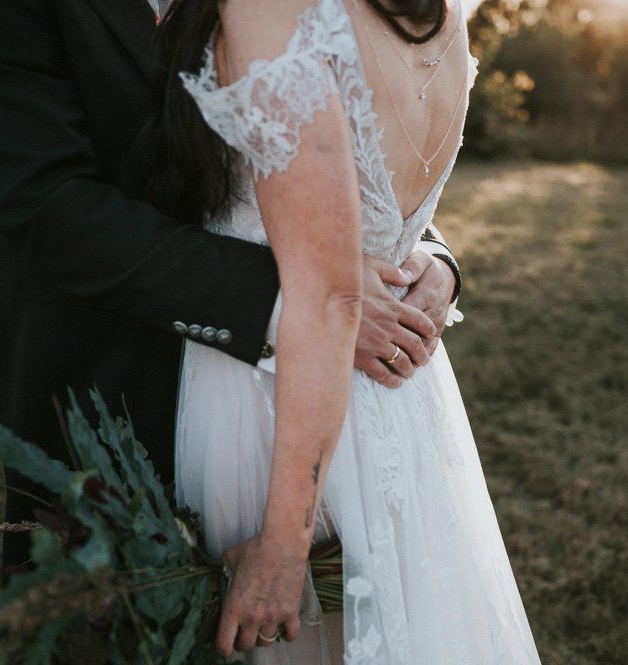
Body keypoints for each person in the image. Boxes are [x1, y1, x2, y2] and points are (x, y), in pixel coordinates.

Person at [0, 0, 461, 578]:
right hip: (111, 384)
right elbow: (47, 207)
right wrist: (306, 299)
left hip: (340, 404)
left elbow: (333, 136)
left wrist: (426, 258)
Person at [153, 0, 542, 662]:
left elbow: (330, 295)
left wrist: (283, 542)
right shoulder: (440, 11)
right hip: (402, 397)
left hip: (277, 400)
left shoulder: (273, 7)